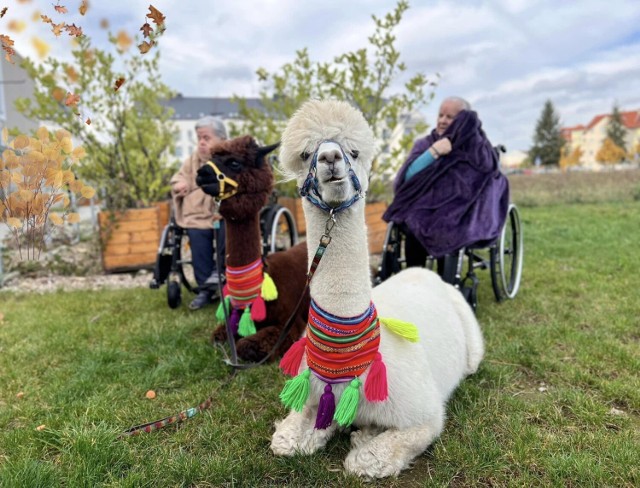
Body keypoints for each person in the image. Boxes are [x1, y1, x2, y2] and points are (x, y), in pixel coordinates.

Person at [383, 96, 509, 273]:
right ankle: (415, 280)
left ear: (463, 121)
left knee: (448, 226)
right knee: (414, 223)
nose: (442, 121)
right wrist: (434, 152)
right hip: (424, 207)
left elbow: (483, 182)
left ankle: (446, 283)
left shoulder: (478, 149)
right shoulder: (425, 144)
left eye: (449, 117)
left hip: (461, 209)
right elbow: (406, 178)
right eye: (440, 115)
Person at [170, 116, 227, 310]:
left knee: (228, 227)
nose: (201, 142)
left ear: (221, 139)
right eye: (199, 138)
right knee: (196, 232)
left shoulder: (228, 157)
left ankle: (222, 273)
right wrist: (180, 183)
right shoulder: (193, 160)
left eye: (206, 138)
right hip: (198, 214)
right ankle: (205, 288)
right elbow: (179, 175)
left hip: (223, 210)